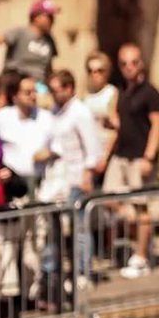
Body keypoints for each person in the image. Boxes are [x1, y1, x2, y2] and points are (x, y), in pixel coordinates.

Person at [40, 71, 104, 300]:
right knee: (56, 229)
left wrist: (87, 174)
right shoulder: (56, 112)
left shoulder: (80, 112)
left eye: (56, 89)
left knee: (80, 228)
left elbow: (93, 147)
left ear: (69, 88)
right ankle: (56, 275)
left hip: (77, 177)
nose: (53, 94)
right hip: (58, 179)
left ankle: (82, 271)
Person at [106, 44, 159, 279]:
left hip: (140, 157)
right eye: (123, 63)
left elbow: (157, 127)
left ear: (141, 63)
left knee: (141, 208)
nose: (128, 68)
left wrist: (149, 157)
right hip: (121, 154)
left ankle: (141, 256)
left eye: (133, 62)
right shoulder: (121, 90)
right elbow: (118, 117)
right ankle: (138, 240)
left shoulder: (150, 92)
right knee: (108, 198)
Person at [3, 0, 59, 89]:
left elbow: (48, 69)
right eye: (49, 16)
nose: (52, 20)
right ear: (36, 17)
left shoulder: (49, 40)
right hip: (15, 83)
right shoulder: (20, 32)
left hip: (39, 86)